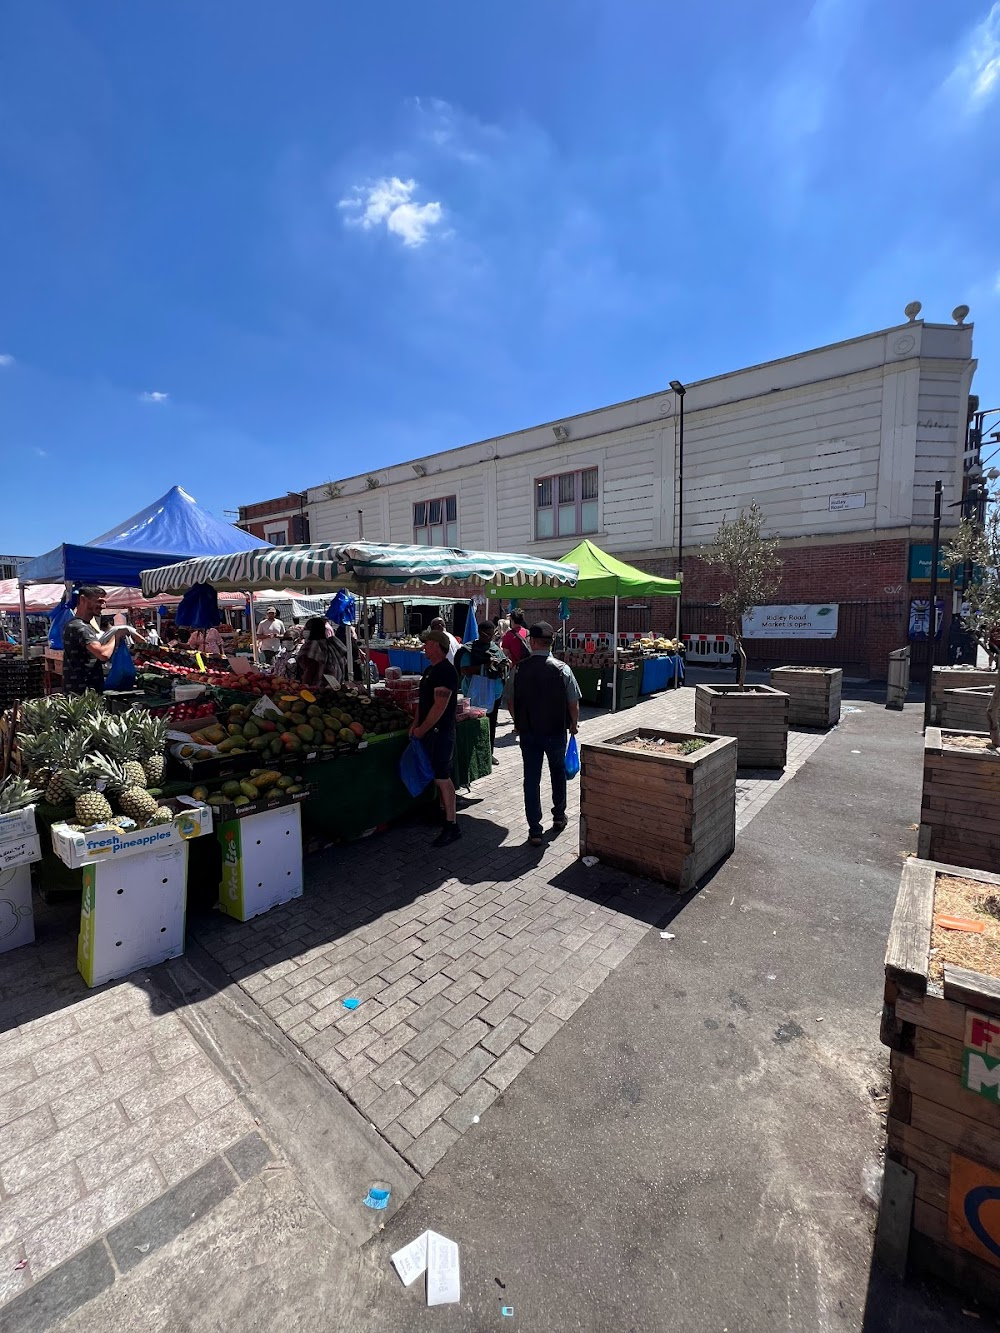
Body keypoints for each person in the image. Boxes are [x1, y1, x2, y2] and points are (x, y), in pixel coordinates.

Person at [511, 620, 581, 848]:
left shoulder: (519, 668)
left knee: (531, 780)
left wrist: (517, 722)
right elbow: (573, 702)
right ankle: (559, 816)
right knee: (557, 774)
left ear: (531, 641)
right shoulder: (562, 669)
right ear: (551, 643)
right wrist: (574, 724)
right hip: (555, 731)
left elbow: (510, 701)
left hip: (529, 732)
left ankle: (535, 830)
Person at [411, 628, 461, 846]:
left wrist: (422, 729)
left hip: (441, 732)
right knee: (437, 776)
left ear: (438, 647)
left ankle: (452, 825)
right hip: (430, 731)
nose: (424, 647)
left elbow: (439, 707)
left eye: (427, 644)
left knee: (442, 777)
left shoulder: (445, 671)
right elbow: (423, 704)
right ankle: (442, 814)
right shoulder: (431, 670)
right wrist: (415, 724)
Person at [61, 586, 131, 696]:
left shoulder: (80, 625)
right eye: (99, 601)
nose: (103, 606)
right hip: (82, 694)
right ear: (83, 600)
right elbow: (103, 654)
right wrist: (115, 637)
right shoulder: (79, 627)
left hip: (84, 690)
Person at [455, 620, 506, 762]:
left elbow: (504, 665)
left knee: (490, 723)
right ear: (479, 633)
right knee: (473, 723)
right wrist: (484, 666)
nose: (488, 638)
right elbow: (464, 670)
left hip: (494, 694)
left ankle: (488, 753)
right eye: (486, 635)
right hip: (473, 693)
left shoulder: (496, 648)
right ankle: (472, 753)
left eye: (491, 635)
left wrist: (503, 665)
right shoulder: (469, 649)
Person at [296, 616, 348, 686]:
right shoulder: (331, 643)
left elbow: (310, 669)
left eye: (306, 628)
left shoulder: (312, 645)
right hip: (336, 684)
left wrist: (305, 686)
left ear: (313, 630)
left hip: (319, 686)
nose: (304, 631)